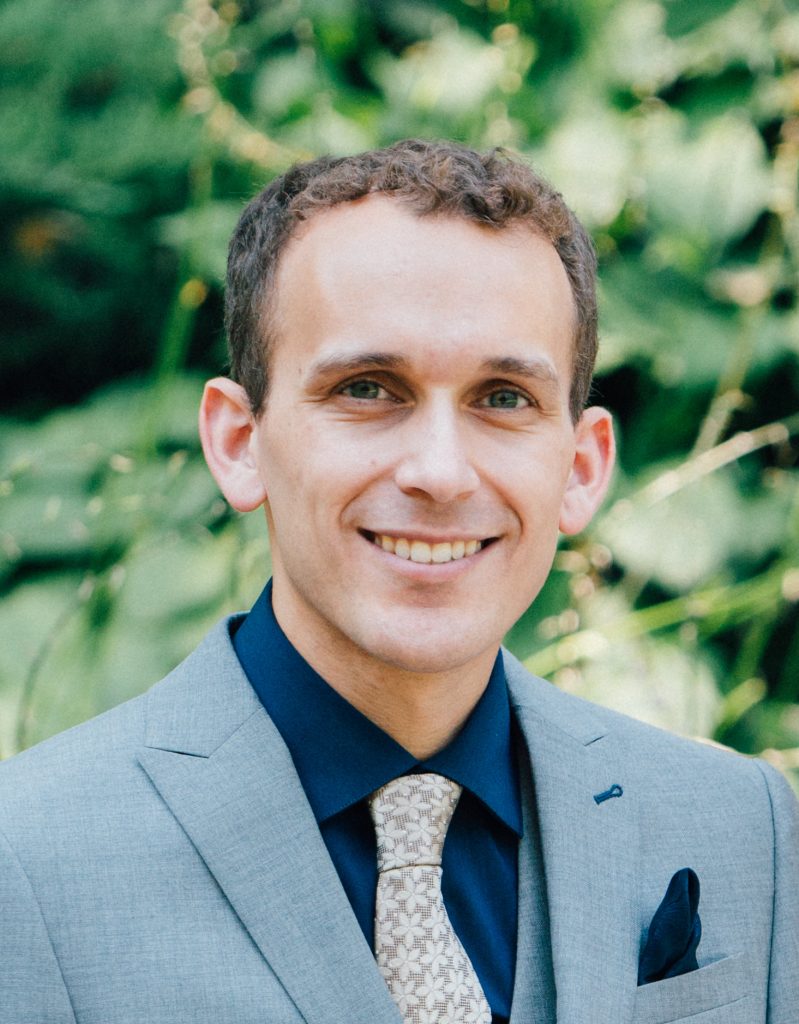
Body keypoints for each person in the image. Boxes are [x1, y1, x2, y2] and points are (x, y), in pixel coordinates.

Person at [0, 139, 796, 1024]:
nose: (440, 472)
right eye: (369, 388)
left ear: (580, 466)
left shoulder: (742, 828)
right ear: (238, 441)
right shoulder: (27, 860)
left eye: (503, 398)